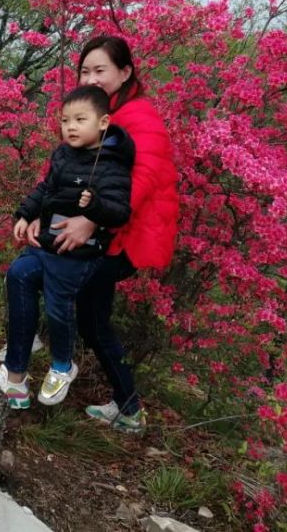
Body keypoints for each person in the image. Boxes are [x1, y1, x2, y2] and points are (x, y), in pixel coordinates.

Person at [48, 35, 179, 433]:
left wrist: (93, 221)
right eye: (85, 71)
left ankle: (54, 359)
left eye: (100, 70)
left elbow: (145, 178)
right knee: (91, 318)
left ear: (125, 72)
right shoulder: (101, 112)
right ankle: (127, 406)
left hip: (128, 235)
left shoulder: (137, 116)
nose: (92, 77)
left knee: (83, 308)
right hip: (113, 231)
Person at [0, 85, 134, 408]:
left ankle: (63, 365)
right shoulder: (64, 154)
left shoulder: (111, 163)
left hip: (78, 255)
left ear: (103, 122)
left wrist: (93, 208)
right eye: (66, 120)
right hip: (49, 246)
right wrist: (26, 213)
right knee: (18, 274)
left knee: (58, 305)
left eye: (81, 119)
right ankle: (15, 381)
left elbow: (120, 211)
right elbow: (46, 188)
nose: (71, 127)